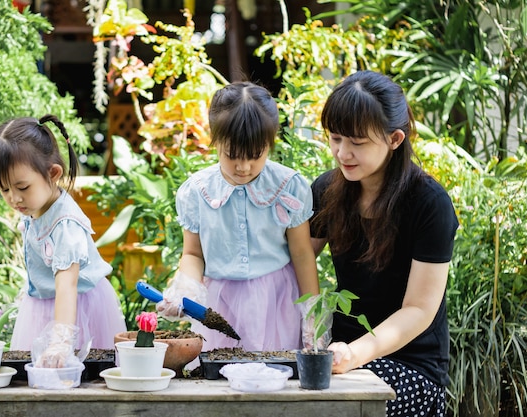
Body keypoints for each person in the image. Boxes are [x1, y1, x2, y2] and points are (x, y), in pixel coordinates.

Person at [310, 70, 458, 416]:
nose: (343, 153)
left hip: (411, 364)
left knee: (330, 408)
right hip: (340, 354)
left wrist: (355, 354)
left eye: (358, 143)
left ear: (394, 139)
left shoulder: (429, 203)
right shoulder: (326, 191)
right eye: (335, 138)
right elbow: (293, 261)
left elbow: (419, 310)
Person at [156, 81, 320, 352]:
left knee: (276, 374)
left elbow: (302, 253)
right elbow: (193, 254)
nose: (243, 167)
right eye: (232, 155)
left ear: (270, 143)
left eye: (255, 156)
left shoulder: (289, 186)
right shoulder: (197, 191)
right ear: (215, 140)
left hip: (276, 300)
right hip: (221, 303)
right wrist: (184, 289)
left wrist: (312, 314)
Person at [0, 114, 127, 367]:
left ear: (53, 173)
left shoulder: (65, 225)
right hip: (45, 303)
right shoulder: (34, 208)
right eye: (4, 189)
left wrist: (61, 341)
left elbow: (66, 286)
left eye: (22, 187)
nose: (14, 198)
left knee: (76, 372)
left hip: (76, 307)